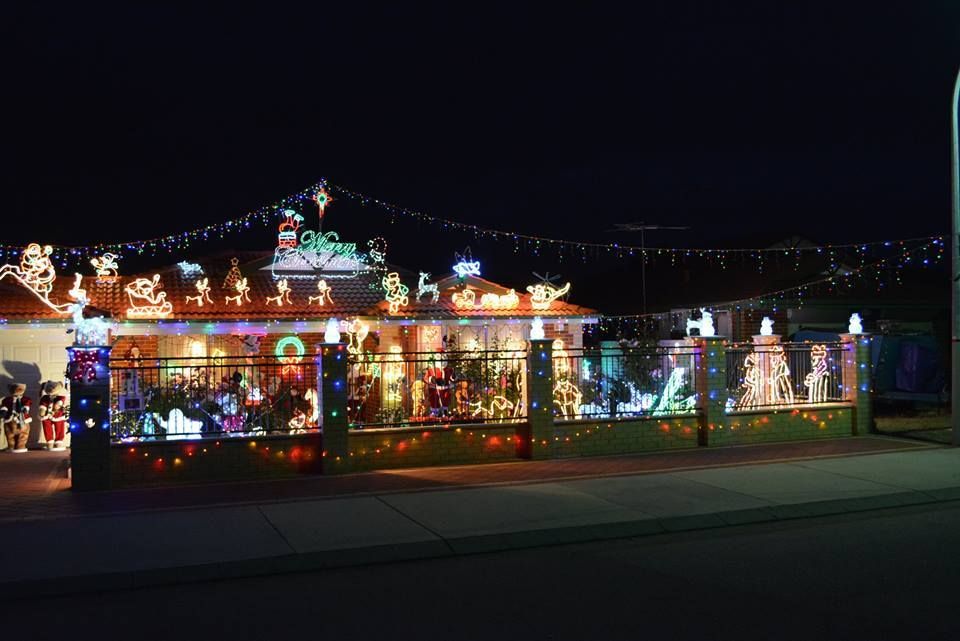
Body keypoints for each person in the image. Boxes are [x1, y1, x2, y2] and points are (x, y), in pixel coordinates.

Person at [1, 383, 33, 453]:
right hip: (10, 420)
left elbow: (27, 404)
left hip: (22, 420)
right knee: (9, 435)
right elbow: (4, 406)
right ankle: (11, 446)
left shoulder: (25, 399)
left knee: (23, 434)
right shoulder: (7, 399)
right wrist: (3, 411)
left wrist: (25, 409)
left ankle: (20, 446)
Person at [39, 381, 68, 450]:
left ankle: (58, 442)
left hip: (58, 416)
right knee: (47, 428)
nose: (51, 389)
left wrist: (57, 405)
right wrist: (42, 410)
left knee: (59, 428)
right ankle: (50, 443)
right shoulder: (44, 397)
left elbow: (58, 405)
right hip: (46, 416)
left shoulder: (61, 397)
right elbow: (42, 405)